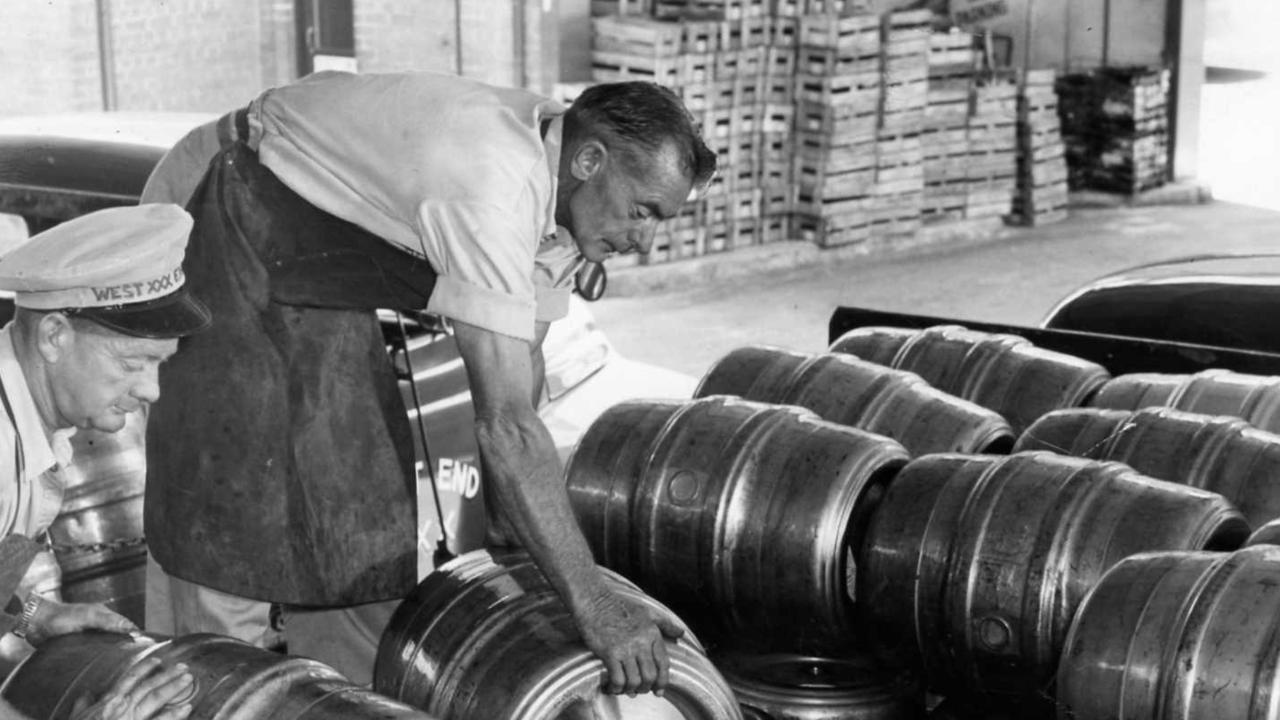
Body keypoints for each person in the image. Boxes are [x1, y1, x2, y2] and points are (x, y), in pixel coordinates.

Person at [139, 71, 716, 693]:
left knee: (362, 507)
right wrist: (594, 603)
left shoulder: (564, 205)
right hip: (217, 205)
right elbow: (507, 427)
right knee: (231, 504)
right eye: (642, 211)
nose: (646, 239)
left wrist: (528, 544)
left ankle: (342, 697)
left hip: (317, 266)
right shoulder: (492, 183)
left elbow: (520, 379)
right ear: (589, 159)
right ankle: (207, 688)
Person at [0, 204, 211, 718]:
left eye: (158, 364)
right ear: (54, 336)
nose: (151, 391)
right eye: (131, 363)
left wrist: (30, 613)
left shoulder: (30, 420)